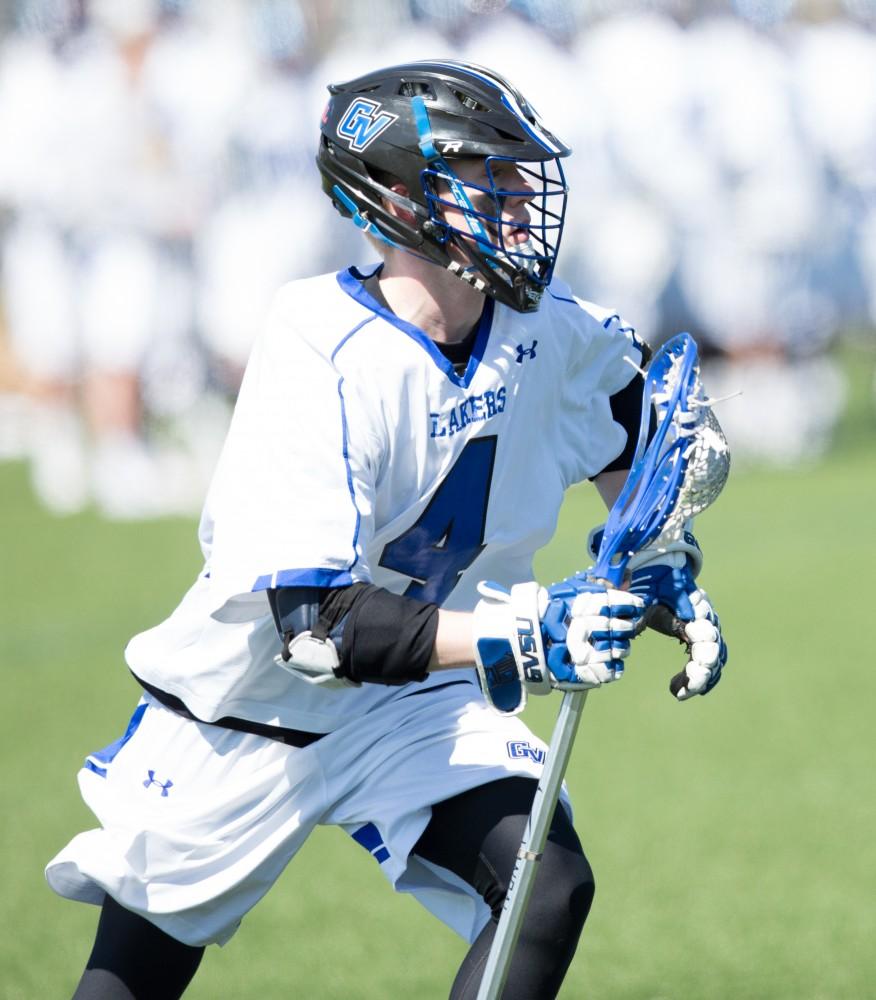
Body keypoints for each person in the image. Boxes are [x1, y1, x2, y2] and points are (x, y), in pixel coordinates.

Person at [46, 60, 727, 999]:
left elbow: (627, 436)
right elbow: (318, 626)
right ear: (402, 200)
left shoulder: (547, 330)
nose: (523, 208)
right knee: (130, 981)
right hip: (254, 705)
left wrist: (664, 576)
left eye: (520, 182)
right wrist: (523, 634)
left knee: (546, 887)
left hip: (416, 701)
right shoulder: (317, 343)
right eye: (491, 184)